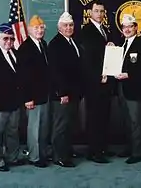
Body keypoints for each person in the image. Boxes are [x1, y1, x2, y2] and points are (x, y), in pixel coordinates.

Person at [0, 23, 24, 171]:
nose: (9, 42)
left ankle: (12, 158)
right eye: (5, 38)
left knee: (12, 132)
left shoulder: (16, 54)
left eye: (11, 39)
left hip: (14, 102)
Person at [79, 1, 115, 163]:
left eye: (102, 11)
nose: (99, 14)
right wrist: (98, 75)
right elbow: (87, 59)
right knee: (94, 117)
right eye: (96, 11)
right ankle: (94, 152)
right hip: (94, 82)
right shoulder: (86, 31)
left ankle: (101, 147)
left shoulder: (105, 30)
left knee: (103, 116)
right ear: (90, 13)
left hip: (106, 81)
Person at [47, 12, 83, 167]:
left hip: (73, 92)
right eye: (65, 25)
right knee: (61, 126)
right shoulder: (56, 44)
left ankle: (66, 151)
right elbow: (55, 71)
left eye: (71, 25)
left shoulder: (71, 41)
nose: (68, 28)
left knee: (69, 124)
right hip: (63, 94)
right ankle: (59, 156)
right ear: (59, 27)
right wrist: (62, 93)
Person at [115, 14, 141, 164]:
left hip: (135, 90)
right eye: (125, 27)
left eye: (130, 26)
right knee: (126, 120)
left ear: (136, 28)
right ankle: (129, 147)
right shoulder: (121, 45)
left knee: (136, 121)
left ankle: (138, 152)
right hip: (121, 88)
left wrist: (128, 74)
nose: (127, 29)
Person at [17, 15, 50, 168]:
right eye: (36, 28)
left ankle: (42, 154)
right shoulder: (25, 48)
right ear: (29, 30)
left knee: (43, 128)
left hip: (44, 95)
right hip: (33, 97)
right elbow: (23, 76)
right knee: (34, 129)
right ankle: (34, 157)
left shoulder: (43, 44)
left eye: (42, 27)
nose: (39, 30)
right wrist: (27, 98)